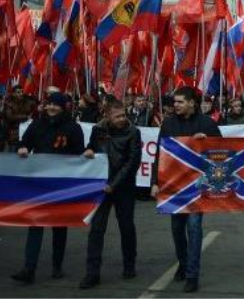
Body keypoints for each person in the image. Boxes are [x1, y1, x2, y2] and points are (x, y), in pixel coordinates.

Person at [151, 86, 222, 293]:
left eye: (180, 102)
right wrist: (155, 182)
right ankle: (183, 262)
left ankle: (192, 274)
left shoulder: (207, 124)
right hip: (174, 186)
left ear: (192, 103)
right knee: (176, 229)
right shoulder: (168, 124)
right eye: (175, 102)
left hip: (198, 187)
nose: (176, 105)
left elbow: (221, 151)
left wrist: (207, 142)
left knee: (194, 228)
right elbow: (159, 154)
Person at [11, 92, 85, 284]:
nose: (51, 108)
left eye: (56, 105)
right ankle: (29, 268)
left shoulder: (73, 128)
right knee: (35, 224)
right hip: (39, 184)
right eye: (49, 104)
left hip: (62, 185)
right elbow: (22, 143)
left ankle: (57, 265)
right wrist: (20, 148)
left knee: (59, 227)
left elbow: (79, 155)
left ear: (63, 107)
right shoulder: (36, 125)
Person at [79, 99, 142, 289]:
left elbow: (132, 162)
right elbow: (91, 147)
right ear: (107, 115)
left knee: (126, 227)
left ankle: (129, 264)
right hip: (101, 187)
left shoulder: (133, 132)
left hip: (123, 187)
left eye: (123, 115)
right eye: (117, 116)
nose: (122, 119)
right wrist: (88, 150)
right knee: (96, 229)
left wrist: (113, 185)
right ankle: (92, 272)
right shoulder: (98, 130)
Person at [4, 85, 34, 151]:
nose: (20, 94)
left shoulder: (28, 102)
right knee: (13, 153)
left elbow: (32, 112)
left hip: (26, 132)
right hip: (14, 133)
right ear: (13, 93)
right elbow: (10, 117)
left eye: (22, 92)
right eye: (18, 92)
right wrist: (25, 117)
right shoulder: (9, 103)